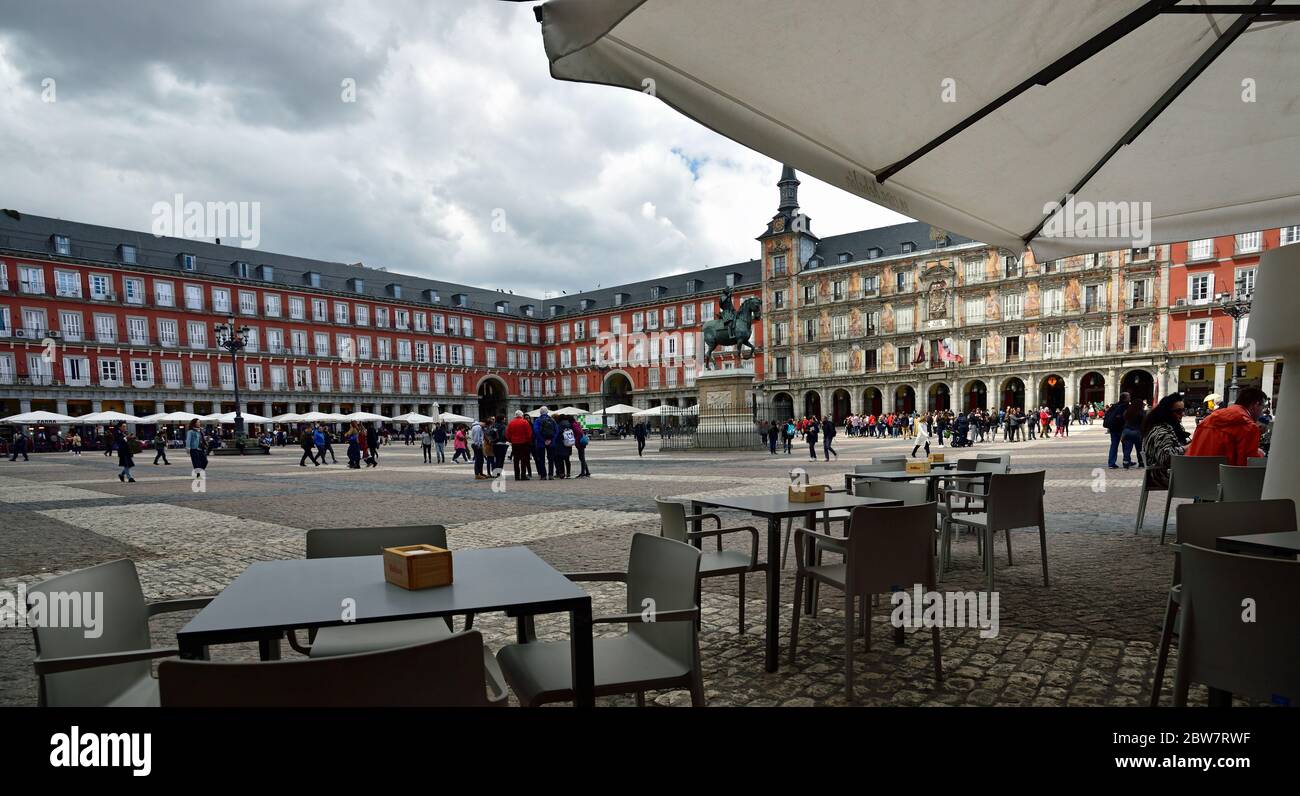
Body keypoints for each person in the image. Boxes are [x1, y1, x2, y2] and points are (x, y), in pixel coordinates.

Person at [1185, 387, 1267, 466]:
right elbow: (1246, 467)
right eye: (1263, 407)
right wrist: (1260, 454)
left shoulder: (1207, 420)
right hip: (1223, 479)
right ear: (1256, 405)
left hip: (1191, 475)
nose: (1262, 412)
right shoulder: (1249, 427)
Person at [1140, 393, 1189, 489]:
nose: (1182, 414)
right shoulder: (1161, 430)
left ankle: (1200, 502)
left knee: (1206, 474)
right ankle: (1202, 502)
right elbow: (1166, 457)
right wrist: (1188, 447)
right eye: (1178, 411)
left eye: (1183, 410)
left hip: (1170, 471)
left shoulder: (1169, 426)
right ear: (1167, 412)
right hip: (1161, 475)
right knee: (1208, 476)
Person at [1103, 394, 1130, 468]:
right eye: (1128, 397)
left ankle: (1111, 463)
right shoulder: (1125, 406)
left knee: (1114, 446)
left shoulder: (1114, 406)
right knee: (1126, 445)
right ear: (1125, 399)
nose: (1130, 398)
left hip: (1113, 429)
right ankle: (1127, 461)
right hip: (1122, 429)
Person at [507, 411, 533, 480]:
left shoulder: (511, 423)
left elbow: (508, 434)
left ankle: (517, 476)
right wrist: (527, 441)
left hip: (514, 443)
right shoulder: (525, 422)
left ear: (515, 415)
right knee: (523, 460)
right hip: (524, 443)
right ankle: (523, 475)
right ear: (521, 415)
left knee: (516, 460)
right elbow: (529, 433)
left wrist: (511, 440)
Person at [1121, 400, 1145, 468]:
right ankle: (1141, 462)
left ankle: (1126, 462)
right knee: (1139, 449)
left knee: (1127, 449)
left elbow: (1123, 420)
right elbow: (1144, 422)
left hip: (1127, 431)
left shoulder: (1127, 411)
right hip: (1137, 432)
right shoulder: (1141, 412)